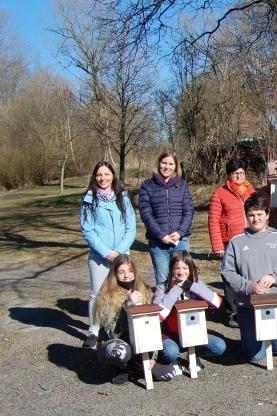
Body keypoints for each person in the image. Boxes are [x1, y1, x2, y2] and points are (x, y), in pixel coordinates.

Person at [221, 195, 277, 362]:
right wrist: (250, 287)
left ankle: (272, 337)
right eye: (251, 215)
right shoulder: (236, 242)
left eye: (259, 214)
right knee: (255, 356)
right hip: (249, 306)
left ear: (267, 214)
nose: (255, 219)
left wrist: (275, 277)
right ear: (246, 216)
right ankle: (253, 338)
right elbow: (227, 272)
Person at [79, 161, 136, 350]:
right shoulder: (89, 199)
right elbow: (87, 229)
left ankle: (121, 327)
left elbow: (131, 227)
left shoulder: (123, 197)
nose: (103, 178)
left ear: (113, 175)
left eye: (106, 174)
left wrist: (118, 252)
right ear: (94, 177)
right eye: (99, 175)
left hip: (122, 254)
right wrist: (105, 252)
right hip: (99, 256)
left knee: (123, 291)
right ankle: (94, 331)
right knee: (97, 293)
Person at [153, 251, 226, 378]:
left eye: (185, 268)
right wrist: (177, 288)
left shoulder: (196, 284)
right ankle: (173, 360)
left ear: (191, 269)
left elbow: (216, 303)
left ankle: (194, 355)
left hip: (194, 332)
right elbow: (160, 314)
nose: (181, 272)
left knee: (218, 346)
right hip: (171, 335)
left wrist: (191, 286)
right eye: (177, 268)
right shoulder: (162, 287)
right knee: (170, 352)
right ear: (171, 269)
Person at [209, 158, 256, 327]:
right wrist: (218, 246)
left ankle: (250, 308)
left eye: (242, 173)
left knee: (249, 275)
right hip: (229, 242)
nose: (239, 176)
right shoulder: (219, 194)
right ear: (229, 175)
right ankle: (233, 313)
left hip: (250, 239)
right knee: (230, 279)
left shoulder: (251, 191)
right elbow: (213, 221)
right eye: (235, 173)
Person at [93, 255, 154, 385]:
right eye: (121, 272)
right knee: (120, 350)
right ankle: (122, 367)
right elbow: (111, 332)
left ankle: (137, 364)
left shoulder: (145, 290)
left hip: (139, 337)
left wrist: (154, 356)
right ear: (115, 274)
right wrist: (128, 305)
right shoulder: (107, 296)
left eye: (130, 271)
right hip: (117, 339)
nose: (127, 275)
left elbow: (153, 324)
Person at [138, 152, 195, 286]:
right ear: (159, 163)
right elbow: (145, 213)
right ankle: (164, 300)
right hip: (158, 243)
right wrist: (161, 235)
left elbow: (189, 211)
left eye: (171, 164)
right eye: (164, 163)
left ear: (176, 166)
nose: (167, 167)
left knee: (183, 279)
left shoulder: (182, 185)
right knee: (163, 280)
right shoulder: (147, 185)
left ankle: (182, 300)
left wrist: (180, 232)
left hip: (180, 241)